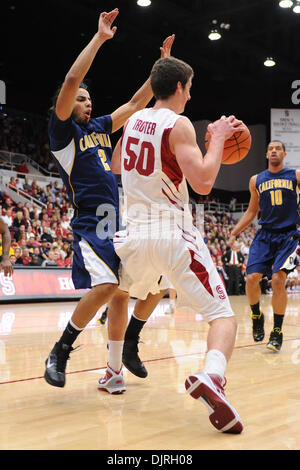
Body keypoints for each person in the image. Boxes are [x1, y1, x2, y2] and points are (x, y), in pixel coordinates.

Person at [44, 8, 175, 392]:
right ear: (67, 106)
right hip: (91, 223)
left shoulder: (101, 127)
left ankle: (118, 363)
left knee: (146, 289)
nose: (86, 102)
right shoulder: (62, 134)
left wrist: (160, 70)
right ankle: (60, 350)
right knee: (104, 289)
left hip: (120, 222)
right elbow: (71, 79)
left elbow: (136, 104)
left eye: (89, 99)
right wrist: (100, 39)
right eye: (80, 99)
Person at [111, 56, 244, 433]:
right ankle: (214, 376)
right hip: (172, 233)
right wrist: (216, 139)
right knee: (223, 316)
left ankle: (111, 370)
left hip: (134, 236)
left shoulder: (134, 119)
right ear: (181, 87)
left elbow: (119, 163)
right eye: (190, 86)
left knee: (122, 296)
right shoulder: (179, 123)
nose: (190, 94)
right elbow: (202, 183)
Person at [229, 140, 300, 351]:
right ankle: (256, 315)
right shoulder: (257, 180)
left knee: (278, 279)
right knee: (251, 279)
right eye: (270, 149)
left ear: (284, 154)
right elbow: (252, 211)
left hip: (288, 236)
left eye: (278, 148)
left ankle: (277, 332)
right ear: (267, 155)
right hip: (265, 235)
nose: (274, 151)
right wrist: (235, 231)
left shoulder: (294, 175)